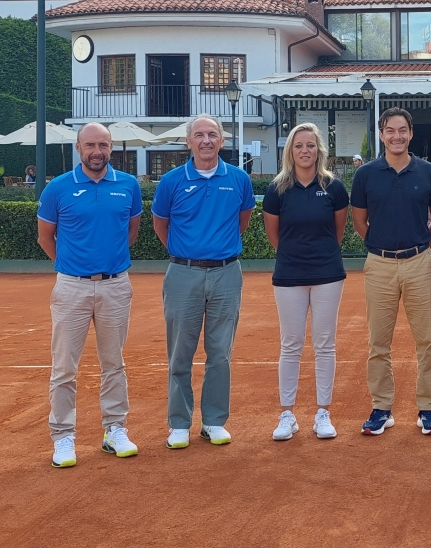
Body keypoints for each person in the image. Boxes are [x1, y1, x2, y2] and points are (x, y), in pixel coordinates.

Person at [37, 122, 142, 468]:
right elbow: (45, 237)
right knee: (64, 367)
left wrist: (106, 266)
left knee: (114, 363)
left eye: (103, 145)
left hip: (115, 285)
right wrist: (73, 267)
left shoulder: (128, 185)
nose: (97, 151)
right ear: (79, 148)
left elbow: (131, 230)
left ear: (111, 148)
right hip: (71, 287)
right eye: (90, 145)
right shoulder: (58, 188)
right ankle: (63, 435)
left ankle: (115, 429)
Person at [151, 114, 256, 449]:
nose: (206, 140)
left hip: (227, 272)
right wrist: (188, 257)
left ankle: (213, 421)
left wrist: (215, 252)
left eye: (213, 134)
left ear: (222, 141)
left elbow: (242, 221)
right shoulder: (171, 181)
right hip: (183, 274)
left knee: (220, 353)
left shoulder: (239, 179)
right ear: (188, 141)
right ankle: (179, 423)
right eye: (199, 135)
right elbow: (160, 225)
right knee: (180, 352)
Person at [350, 107, 431, 436]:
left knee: (427, 340)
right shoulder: (366, 175)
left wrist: (419, 248)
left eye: (402, 130)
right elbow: (359, 221)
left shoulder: (429, 173)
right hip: (378, 265)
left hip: (419, 263)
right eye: (390, 130)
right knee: (378, 341)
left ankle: (428, 409)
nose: (396, 136)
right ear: (381, 134)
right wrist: (380, 246)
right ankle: (381, 408)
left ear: (410, 133)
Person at [263, 123, 349, 441]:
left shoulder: (333, 188)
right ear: (290, 151)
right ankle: (288, 414)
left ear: (319, 151)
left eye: (310, 145)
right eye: (299, 145)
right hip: (289, 275)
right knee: (291, 344)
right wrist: (294, 255)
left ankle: (322, 413)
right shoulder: (277, 190)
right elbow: (276, 235)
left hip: (327, 274)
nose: (305, 151)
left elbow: (336, 232)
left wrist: (320, 254)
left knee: (325, 345)